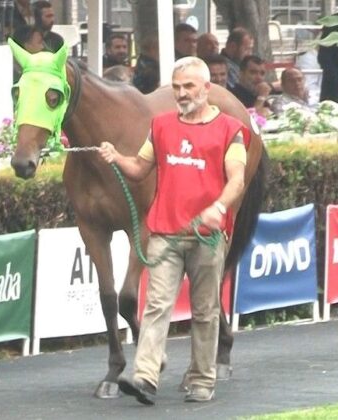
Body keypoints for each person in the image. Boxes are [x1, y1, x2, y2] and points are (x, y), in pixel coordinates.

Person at [98, 56, 247, 406]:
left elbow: (237, 178)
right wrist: (116, 157)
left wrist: (219, 207)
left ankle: (201, 379)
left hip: (208, 236)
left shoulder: (229, 129)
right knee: (156, 305)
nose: (181, 93)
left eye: (189, 87)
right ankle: (146, 376)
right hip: (165, 233)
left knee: (205, 310)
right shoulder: (161, 126)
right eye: (177, 87)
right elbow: (139, 168)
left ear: (206, 89)